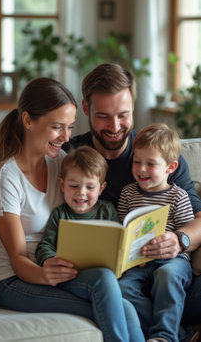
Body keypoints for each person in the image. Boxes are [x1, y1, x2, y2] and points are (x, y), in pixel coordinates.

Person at [0, 77, 144, 342]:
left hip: (63, 269)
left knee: (119, 299)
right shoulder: (5, 177)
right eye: (57, 127)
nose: (66, 137)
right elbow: (18, 259)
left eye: (69, 127)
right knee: (116, 307)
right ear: (28, 121)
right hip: (15, 281)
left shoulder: (62, 163)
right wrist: (44, 273)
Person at [62, 63, 201, 326]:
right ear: (85, 109)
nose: (114, 126)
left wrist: (180, 240)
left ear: (134, 107)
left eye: (123, 115)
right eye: (103, 116)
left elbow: (198, 218)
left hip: (166, 271)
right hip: (112, 278)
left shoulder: (161, 159)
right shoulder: (69, 156)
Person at [36, 145, 145, 342]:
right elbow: (45, 245)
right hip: (71, 277)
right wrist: (49, 260)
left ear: (102, 188)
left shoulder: (107, 211)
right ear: (61, 184)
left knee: (128, 306)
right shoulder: (60, 214)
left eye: (90, 186)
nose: (81, 193)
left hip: (107, 278)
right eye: (74, 186)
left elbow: (119, 242)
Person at [117, 123, 195, 342]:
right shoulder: (128, 193)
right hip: (137, 263)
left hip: (172, 261)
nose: (141, 169)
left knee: (167, 275)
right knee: (122, 290)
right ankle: (180, 335)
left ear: (170, 167)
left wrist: (177, 249)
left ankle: (164, 337)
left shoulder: (178, 197)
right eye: (137, 161)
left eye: (150, 164)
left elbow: (186, 236)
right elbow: (121, 229)